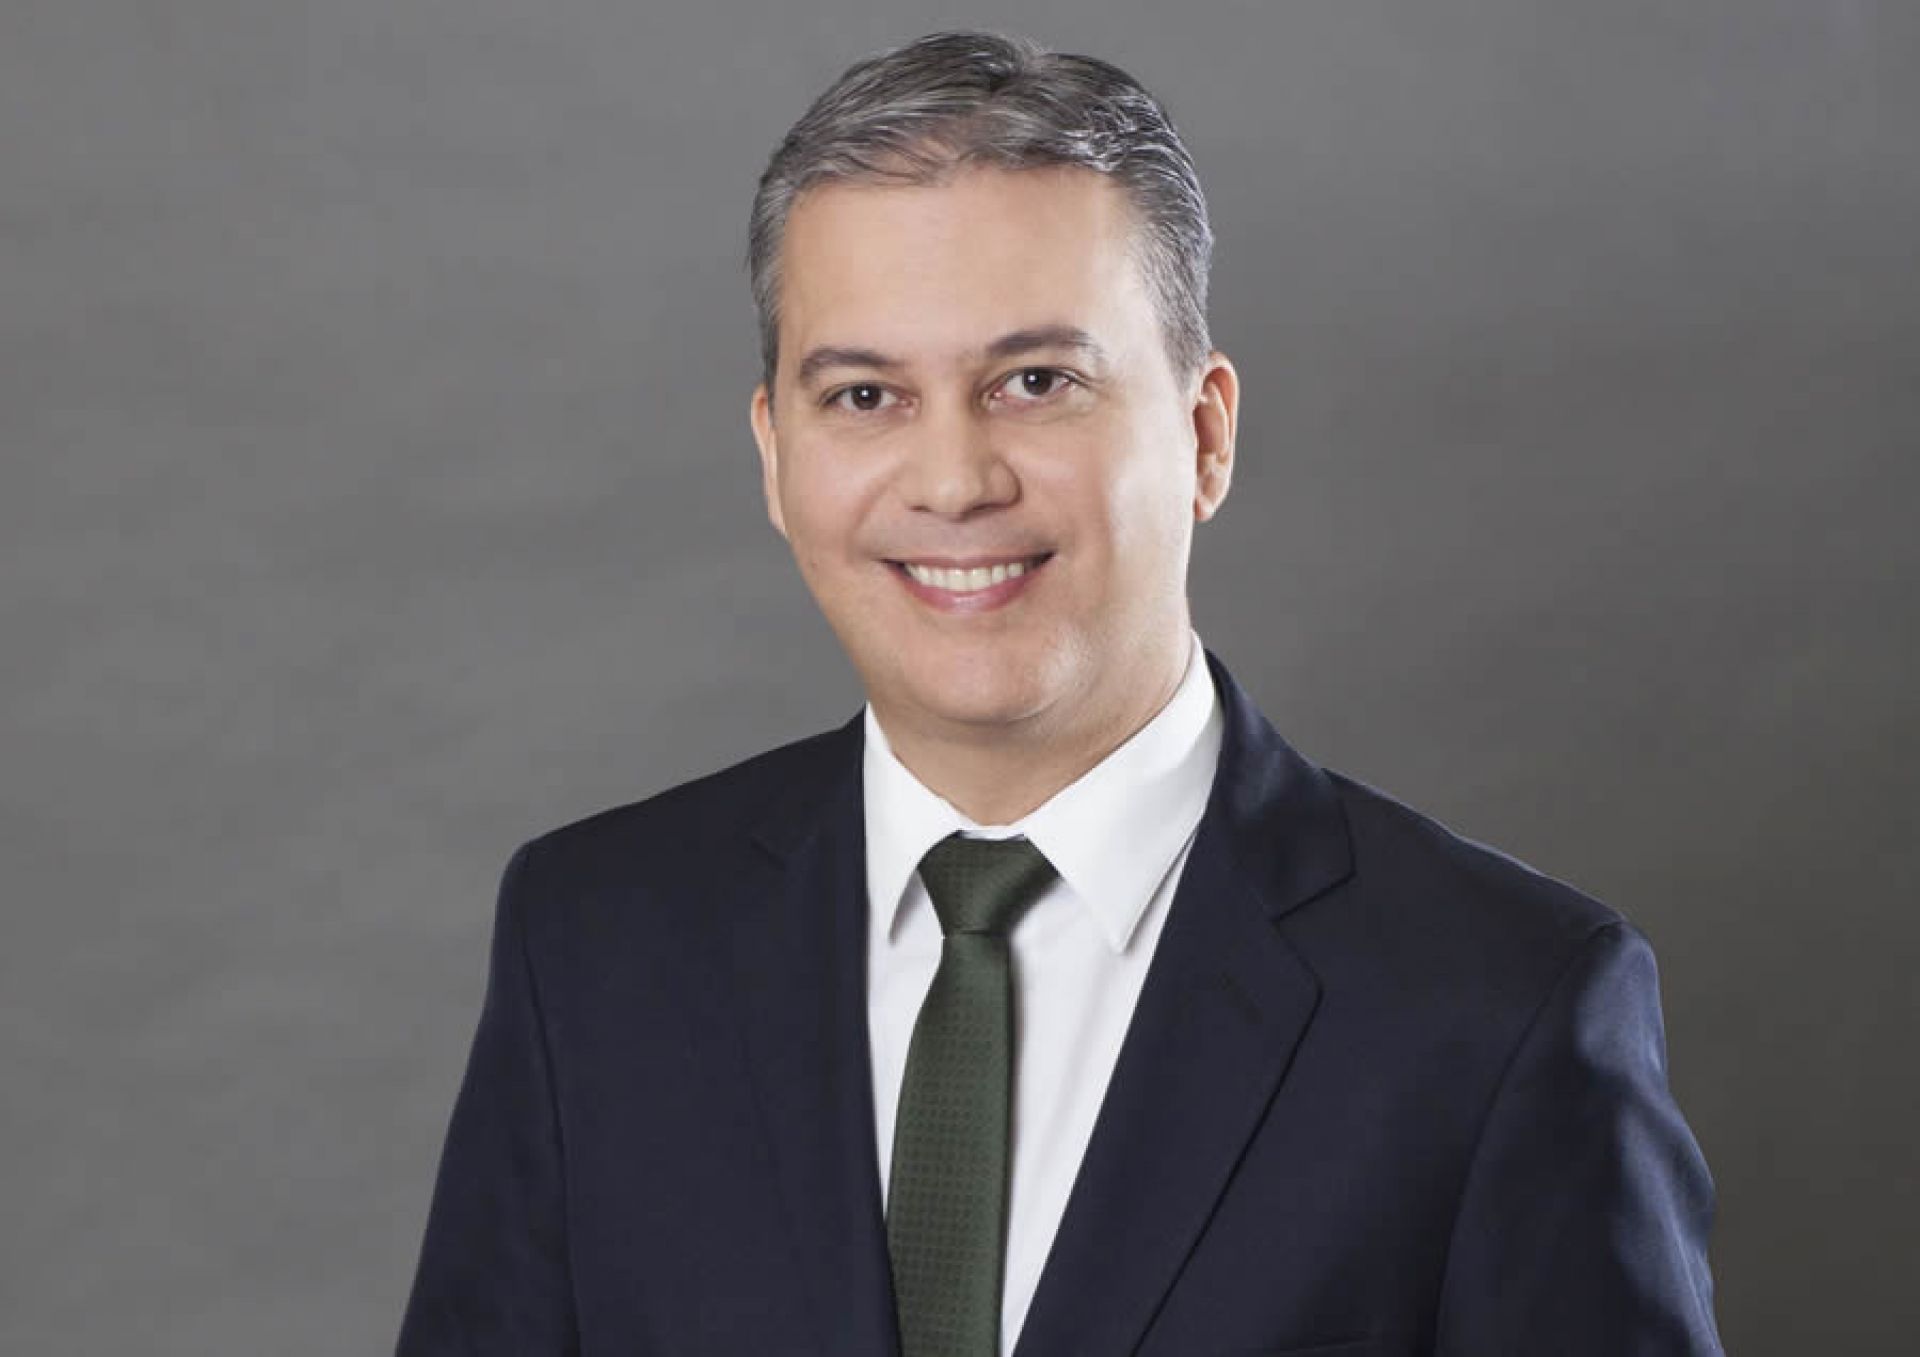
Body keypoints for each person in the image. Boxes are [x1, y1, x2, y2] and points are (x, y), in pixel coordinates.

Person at [396, 30, 1723, 1357]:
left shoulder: (1499, 1009)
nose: (954, 481)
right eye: (865, 395)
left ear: (1204, 435)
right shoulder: (596, 947)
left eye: (1037, 383)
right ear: (774, 457)